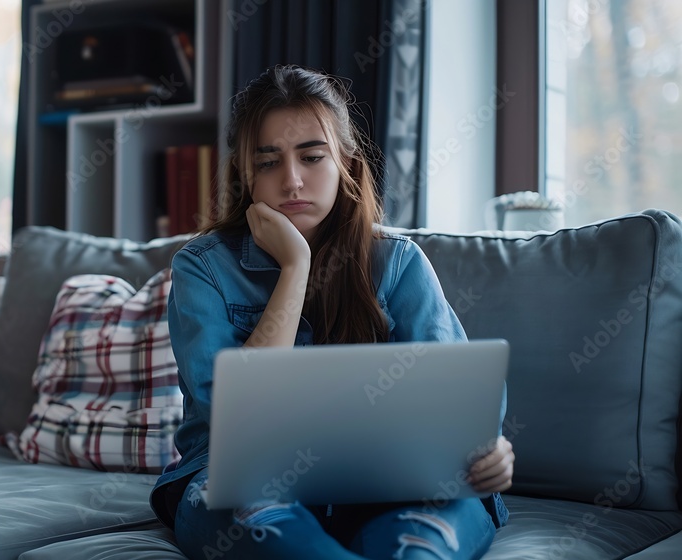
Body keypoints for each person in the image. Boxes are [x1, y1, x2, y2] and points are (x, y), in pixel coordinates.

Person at [149, 65, 515, 559]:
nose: (292, 180)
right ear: (245, 173)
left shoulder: (398, 262)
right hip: (243, 482)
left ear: (347, 163)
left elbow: (462, 398)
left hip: (393, 481)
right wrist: (294, 267)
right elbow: (237, 414)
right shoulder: (203, 268)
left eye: (312, 157)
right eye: (269, 161)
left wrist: (490, 449)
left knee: (422, 545)